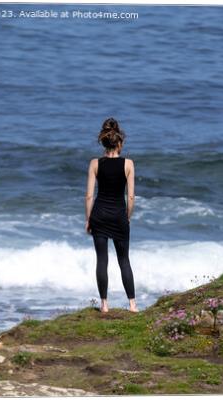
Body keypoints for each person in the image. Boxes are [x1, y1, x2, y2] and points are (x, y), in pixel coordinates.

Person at [85, 118, 138, 313]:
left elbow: (89, 195)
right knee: (124, 260)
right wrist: (127, 216)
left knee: (102, 260)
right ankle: (132, 305)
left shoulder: (95, 163)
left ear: (104, 143)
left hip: (99, 215)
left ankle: (104, 304)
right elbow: (130, 197)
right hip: (118, 216)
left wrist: (88, 219)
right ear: (120, 143)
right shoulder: (129, 164)